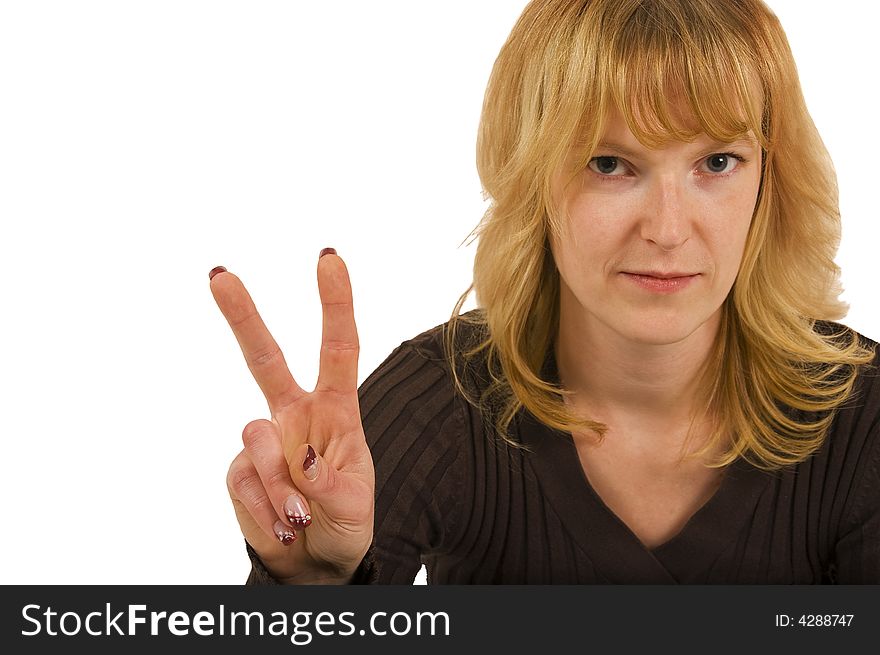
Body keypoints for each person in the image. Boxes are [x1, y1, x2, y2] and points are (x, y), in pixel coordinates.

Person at [209, 0, 879, 584]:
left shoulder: (864, 417)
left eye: (717, 162)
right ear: (530, 176)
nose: (669, 229)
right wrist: (317, 590)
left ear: (770, 177)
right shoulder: (437, 401)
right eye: (610, 163)